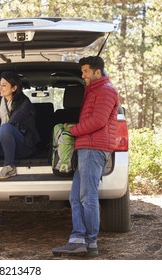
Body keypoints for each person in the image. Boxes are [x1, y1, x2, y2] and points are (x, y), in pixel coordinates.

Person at [52, 56, 119, 257]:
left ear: (97, 72)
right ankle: (77, 239)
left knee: (87, 197)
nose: (83, 75)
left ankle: (91, 242)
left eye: (85, 71)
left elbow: (98, 121)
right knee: (75, 197)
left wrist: (73, 130)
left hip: (93, 147)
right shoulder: (94, 91)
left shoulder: (106, 91)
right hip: (86, 147)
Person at [0, 71, 40, 179]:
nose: (0, 88)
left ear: (14, 88)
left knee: (6, 127)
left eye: (4, 85)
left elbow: (11, 124)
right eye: (0, 85)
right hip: (5, 145)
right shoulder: (1, 100)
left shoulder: (25, 104)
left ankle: (10, 166)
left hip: (23, 147)